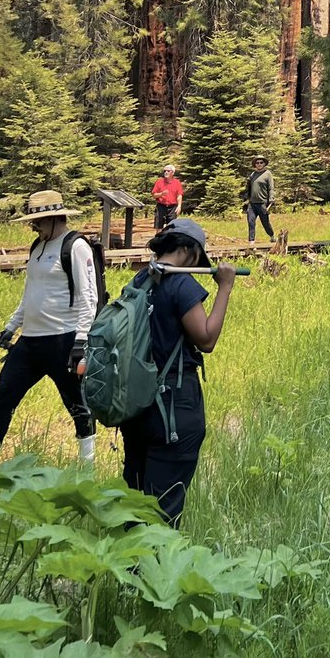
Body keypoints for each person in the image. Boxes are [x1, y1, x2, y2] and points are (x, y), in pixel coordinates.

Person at [121, 218, 236, 527]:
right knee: (163, 511)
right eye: (198, 257)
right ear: (187, 250)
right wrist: (225, 287)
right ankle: (157, 573)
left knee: (135, 501)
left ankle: (128, 570)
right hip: (172, 407)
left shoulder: (140, 280)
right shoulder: (181, 283)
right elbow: (206, 338)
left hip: (135, 405)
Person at [0, 190, 98, 473]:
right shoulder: (37, 246)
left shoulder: (76, 246)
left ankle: (88, 467)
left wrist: (81, 340)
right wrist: (11, 327)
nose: (34, 226)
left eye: (39, 221)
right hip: (29, 342)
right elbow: (30, 293)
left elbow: (88, 296)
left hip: (64, 339)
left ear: (55, 218)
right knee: (3, 395)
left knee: (77, 403)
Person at [244, 155, 276, 244]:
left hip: (262, 203)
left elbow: (271, 187)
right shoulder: (253, 174)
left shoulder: (267, 173)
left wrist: (271, 197)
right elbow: (248, 187)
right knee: (251, 222)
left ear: (264, 163)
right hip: (252, 203)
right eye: (257, 163)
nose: (259, 164)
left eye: (261, 162)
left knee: (265, 223)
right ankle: (251, 241)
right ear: (255, 164)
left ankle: (272, 236)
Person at [151, 165, 184, 229]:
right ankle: (158, 239)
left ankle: (169, 239)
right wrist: (161, 194)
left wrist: (179, 206)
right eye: (165, 171)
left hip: (172, 207)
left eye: (168, 171)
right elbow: (154, 195)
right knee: (159, 227)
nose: (166, 172)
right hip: (161, 206)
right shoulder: (159, 182)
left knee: (171, 227)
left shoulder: (177, 183)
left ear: (173, 173)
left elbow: (179, 195)